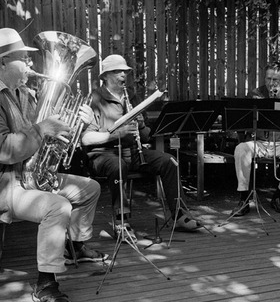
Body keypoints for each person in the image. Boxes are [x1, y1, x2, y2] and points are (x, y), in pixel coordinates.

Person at [0, 28, 107, 302]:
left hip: (27, 175)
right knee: (58, 206)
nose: (30, 64)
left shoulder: (22, 94)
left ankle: (75, 246)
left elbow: (41, 135)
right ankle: (45, 282)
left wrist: (75, 125)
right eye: (23, 58)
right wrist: (42, 129)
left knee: (90, 188)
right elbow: (3, 150)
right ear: (3, 62)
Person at [82, 54, 201, 234]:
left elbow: (146, 137)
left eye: (125, 71)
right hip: (105, 154)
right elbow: (86, 138)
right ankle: (121, 222)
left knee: (170, 162)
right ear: (105, 76)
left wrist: (142, 125)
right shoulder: (95, 98)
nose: (123, 75)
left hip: (133, 152)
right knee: (118, 166)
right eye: (117, 71)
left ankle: (180, 216)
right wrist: (114, 135)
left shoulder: (132, 97)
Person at [233, 62, 280, 215]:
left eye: (275, 80)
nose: (271, 83)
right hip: (259, 141)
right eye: (268, 78)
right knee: (240, 150)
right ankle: (244, 198)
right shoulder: (255, 94)